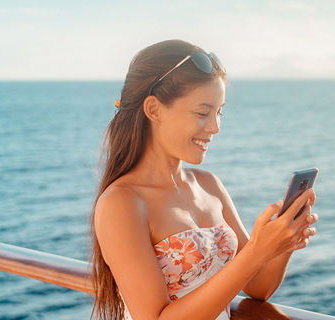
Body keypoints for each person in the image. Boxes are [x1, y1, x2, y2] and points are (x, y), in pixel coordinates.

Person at [87, 39, 319, 320]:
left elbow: (258, 287)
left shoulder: (208, 185)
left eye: (219, 112)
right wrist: (257, 251)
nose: (215, 127)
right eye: (202, 112)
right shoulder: (121, 203)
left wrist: (283, 242)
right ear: (154, 110)